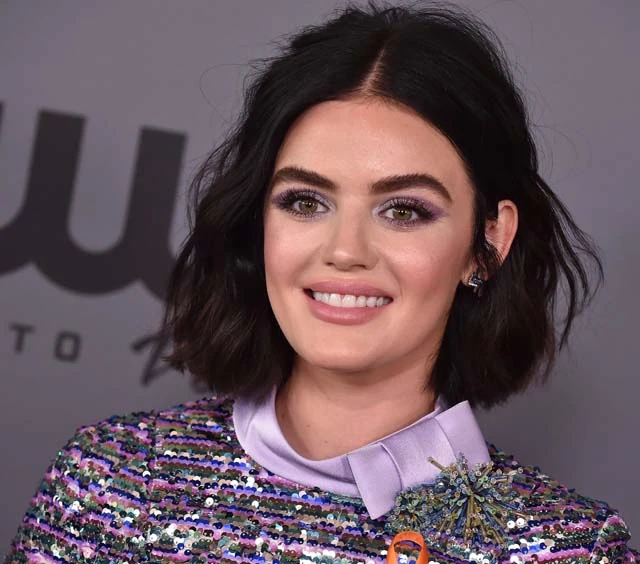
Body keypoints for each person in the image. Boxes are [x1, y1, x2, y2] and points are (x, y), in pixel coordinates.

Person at [5, 2, 638, 563]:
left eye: (404, 210)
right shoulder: (111, 483)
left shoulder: (565, 549)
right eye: (305, 202)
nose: (344, 251)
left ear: (488, 243)